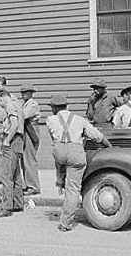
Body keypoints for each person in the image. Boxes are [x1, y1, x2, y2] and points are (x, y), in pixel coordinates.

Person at [46, 94, 112, 232]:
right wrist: (109, 146)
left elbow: (54, 137)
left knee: (61, 163)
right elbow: (96, 136)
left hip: (59, 151)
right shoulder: (79, 119)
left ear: (54, 108)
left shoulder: (50, 120)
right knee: (73, 189)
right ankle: (65, 223)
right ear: (66, 106)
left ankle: (60, 181)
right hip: (76, 152)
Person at [0, 89, 25, 218]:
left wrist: (7, 141)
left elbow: (15, 125)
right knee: (16, 175)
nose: (2, 106)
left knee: (6, 176)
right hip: (19, 142)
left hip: (12, 142)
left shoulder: (10, 105)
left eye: (1, 104)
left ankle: (6, 207)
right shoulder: (17, 104)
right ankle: (17, 203)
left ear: (2, 99)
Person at [20, 84, 41, 196]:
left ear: (31, 93)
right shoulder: (24, 104)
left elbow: (23, 115)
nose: (23, 94)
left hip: (31, 130)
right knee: (24, 159)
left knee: (29, 159)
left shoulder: (32, 104)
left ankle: (34, 186)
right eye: (22, 93)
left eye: (26, 92)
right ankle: (29, 184)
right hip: (25, 130)